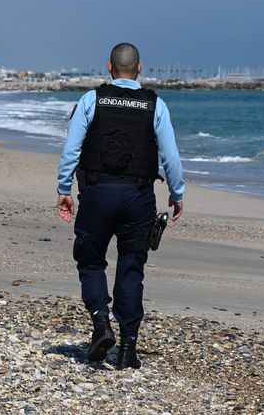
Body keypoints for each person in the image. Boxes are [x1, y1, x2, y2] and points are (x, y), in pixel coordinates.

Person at [56, 43, 185, 370]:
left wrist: (63, 188)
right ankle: (128, 349)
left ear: (109, 68)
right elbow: (170, 156)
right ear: (139, 68)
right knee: (131, 267)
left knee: (90, 259)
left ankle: (101, 323)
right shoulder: (155, 105)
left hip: (97, 193)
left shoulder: (91, 100)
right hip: (137, 197)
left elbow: (71, 149)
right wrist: (176, 192)